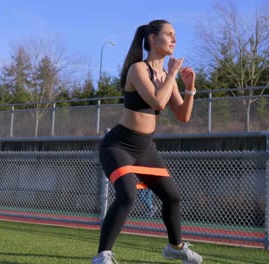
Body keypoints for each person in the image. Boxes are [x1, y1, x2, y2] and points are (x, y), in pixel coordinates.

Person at [92, 19, 203, 264]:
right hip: (118, 146)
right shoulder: (138, 69)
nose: (174, 39)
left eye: (176, 35)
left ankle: (176, 247)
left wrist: (190, 88)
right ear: (152, 39)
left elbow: (183, 116)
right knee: (128, 195)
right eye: (169, 34)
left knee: (172, 196)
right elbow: (158, 103)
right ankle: (103, 255)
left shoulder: (166, 76)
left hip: (145, 149)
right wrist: (172, 73)